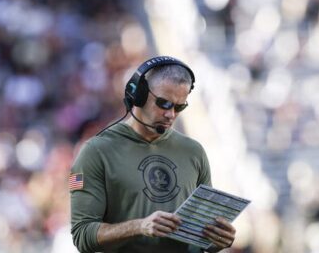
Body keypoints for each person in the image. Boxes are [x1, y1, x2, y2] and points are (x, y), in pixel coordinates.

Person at [70, 56, 236, 253]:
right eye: (164, 103)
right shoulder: (95, 152)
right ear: (138, 95)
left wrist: (217, 240)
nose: (171, 114)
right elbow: (82, 235)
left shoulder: (194, 151)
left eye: (179, 107)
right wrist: (139, 226)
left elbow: (200, 234)